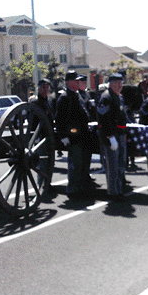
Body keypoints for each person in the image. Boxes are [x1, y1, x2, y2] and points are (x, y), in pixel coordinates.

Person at [55, 70, 92, 199]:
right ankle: (72, 189)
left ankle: (80, 187)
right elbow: (59, 119)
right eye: (75, 81)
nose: (78, 83)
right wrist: (63, 136)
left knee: (82, 163)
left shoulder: (77, 95)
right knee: (75, 164)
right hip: (73, 136)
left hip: (82, 135)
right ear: (68, 82)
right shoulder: (65, 97)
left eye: (78, 81)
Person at [97, 73, 128, 201]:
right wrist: (110, 136)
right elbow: (103, 119)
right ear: (110, 83)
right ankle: (113, 192)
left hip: (120, 135)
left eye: (120, 83)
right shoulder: (106, 97)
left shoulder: (118, 97)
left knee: (121, 164)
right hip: (112, 136)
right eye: (116, 83)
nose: (119, 85)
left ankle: (119, 190)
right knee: (113, 166)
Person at [29, 78, 56, 193]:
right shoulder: (35, 103)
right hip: (39, 136)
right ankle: (40, 185)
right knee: (42, 162)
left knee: (50, 161)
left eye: (47, 87)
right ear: (38, 89)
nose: (46, 90)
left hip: (49, 134)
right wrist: (35, 137)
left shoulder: (49, 101)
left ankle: (48, 183)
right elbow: (31, 122)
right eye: (43, 87)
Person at [78, 75, 100, 188]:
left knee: (88, 154)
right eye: (82, 82)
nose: (84, 84)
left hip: (89, 126)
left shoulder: (86, 94)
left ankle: (86, 174)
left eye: (84, 82)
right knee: (82, 155)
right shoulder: (77, 94)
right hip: (80, 129)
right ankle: (82, 176)